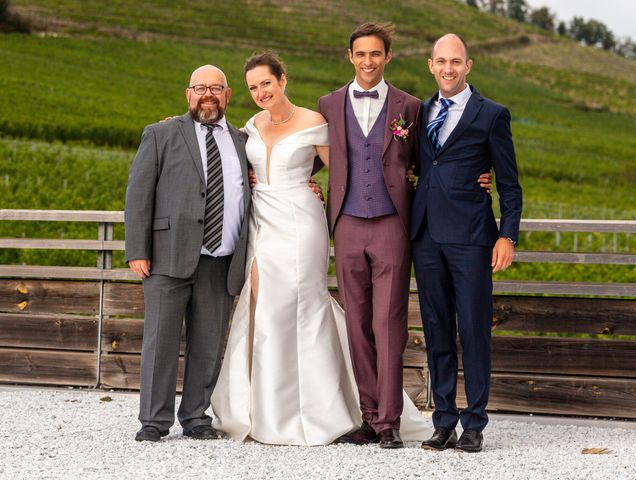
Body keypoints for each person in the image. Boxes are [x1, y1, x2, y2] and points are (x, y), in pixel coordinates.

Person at [210, 51, 430, 446]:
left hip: (301, 220)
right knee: (261, 300)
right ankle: (262, 406)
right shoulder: (252, 125)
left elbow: (345, 168)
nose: (261, 92)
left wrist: (405, 175)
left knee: (300, 301)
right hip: (263, 220)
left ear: (283, 80)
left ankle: (319, 409)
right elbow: (239, 168)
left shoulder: (314, 121)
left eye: (267, 83)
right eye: (254, 87)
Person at [317, 23, 492, 449]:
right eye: (361, 54)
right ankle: (369, 417)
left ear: (388, 57)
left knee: (389, 322)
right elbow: (311, 153)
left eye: (376, 54)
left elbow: (432, 159)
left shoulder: (410, 107)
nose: (368, 61)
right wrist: (283, 177)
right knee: (357, 325)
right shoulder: (327, 104)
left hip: (395, 224)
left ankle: (390, 421)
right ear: (350, 56)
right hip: (346, 224)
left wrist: (478, 178)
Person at [125, 65, 251, 442]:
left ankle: (196, 417)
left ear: (228, 95)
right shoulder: (161, 133)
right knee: (160, 341)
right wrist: (137, 249)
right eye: (200, 88)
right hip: (166, 256)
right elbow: (138, 194)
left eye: (216, 88)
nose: (207, 94)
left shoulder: (245, 142)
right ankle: (154, 420)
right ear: (188, 94)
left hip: (221, 258)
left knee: (209, 344)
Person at [412, 33, 523, 453]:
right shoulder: (420, 112)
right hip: (425, 237)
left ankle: (475, 421)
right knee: (437, 329)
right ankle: (443, 420)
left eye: (455, 62)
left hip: (473, 239)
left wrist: (507, 234)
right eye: (441, 61)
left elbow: (510, 185)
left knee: (475, 331)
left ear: (468, 66)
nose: (448, 68)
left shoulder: (492, 114)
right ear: (431, 64)